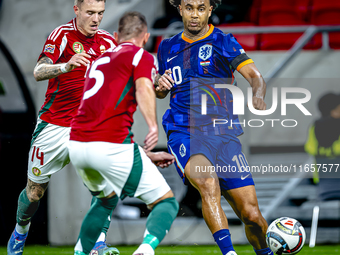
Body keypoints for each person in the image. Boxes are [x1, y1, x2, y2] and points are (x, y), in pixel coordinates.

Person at [155, 1, 273, 255]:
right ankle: (228, 253)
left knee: (252, 215)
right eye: (189, 7)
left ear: (210, 10)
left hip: (222, 134)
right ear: (180, 10)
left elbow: (255, 75)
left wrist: (258, 94)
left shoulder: (223, 41)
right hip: (184, 130)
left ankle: (266, 252)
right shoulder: (166, 47)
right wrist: (159, 84)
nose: (195, 14)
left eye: (201, 7)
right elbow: (161, 91)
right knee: (208, 184)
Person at [7, 1, 118, 254]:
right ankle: (20, 231)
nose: (96, 19)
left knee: (106, 187)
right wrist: (66, 66)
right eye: (90, 12)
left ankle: (97, 244)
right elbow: (38, 71)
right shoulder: (61, 36)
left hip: (89, 127)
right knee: (34, 193)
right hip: (54, 125)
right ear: (76, 9)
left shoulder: (107, 42)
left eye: (100, 13)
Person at [68, 11, 179, 255]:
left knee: (105, 200)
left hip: (76, 144)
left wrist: (145, 157)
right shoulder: (140, 55)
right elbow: (143, 89)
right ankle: (145, 250)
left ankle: (80, 252)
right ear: (146, 37)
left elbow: (100, 116)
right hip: (110, 145)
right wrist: (152, 125)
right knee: (166, 203)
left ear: (117, 36)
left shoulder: (99, 60)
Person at [305, 93, 340, 200]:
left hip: (322, 178)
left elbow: (310, 147)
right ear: (333, 110)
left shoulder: (315, 126)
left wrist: (326, 151)